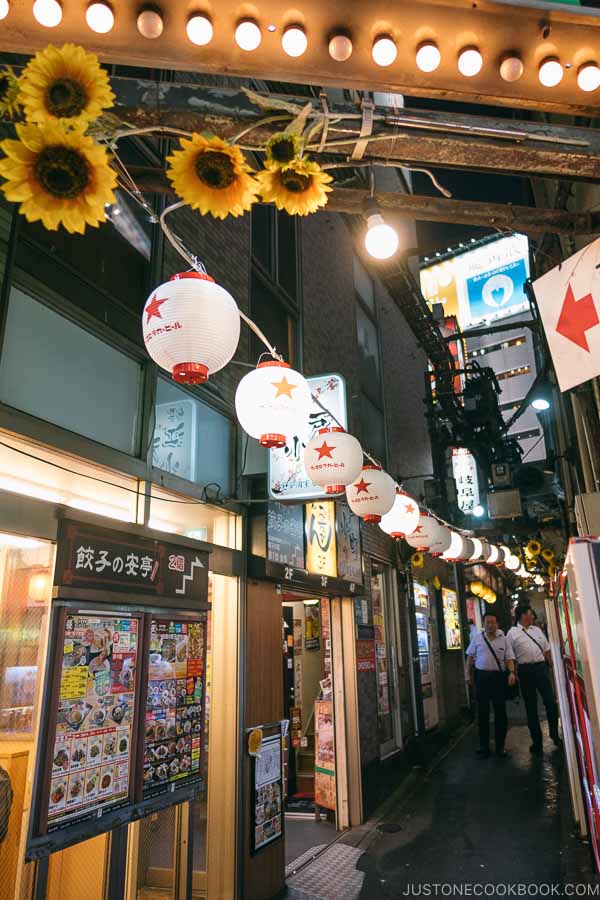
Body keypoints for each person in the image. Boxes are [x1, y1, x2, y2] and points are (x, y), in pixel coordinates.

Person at [507, 604, 560, 755]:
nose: (533, 617)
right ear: (522, 615)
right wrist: (512, 672)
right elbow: (510, 656)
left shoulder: (537, 630)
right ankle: (537, 742)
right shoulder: (512, 633)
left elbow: (546, 650)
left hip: (541, 669)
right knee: (531, 708)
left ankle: (555, 735)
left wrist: (553, 668)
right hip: (525, 672)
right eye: (530, 614)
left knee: (550, 702)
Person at [466, 612, 516, 759]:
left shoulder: (504, 639)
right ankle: (484, 746)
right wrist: (467, 674)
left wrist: (512, 672)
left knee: (500, 713)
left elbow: (509, 658)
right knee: (483, 714)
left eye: (493, 622)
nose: (490, 625)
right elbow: (469, 657)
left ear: (497, 624)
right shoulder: (478, 638)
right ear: (484, 623)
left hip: (498, 678)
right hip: (481, 678)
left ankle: (500, 747)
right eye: (487, 622)